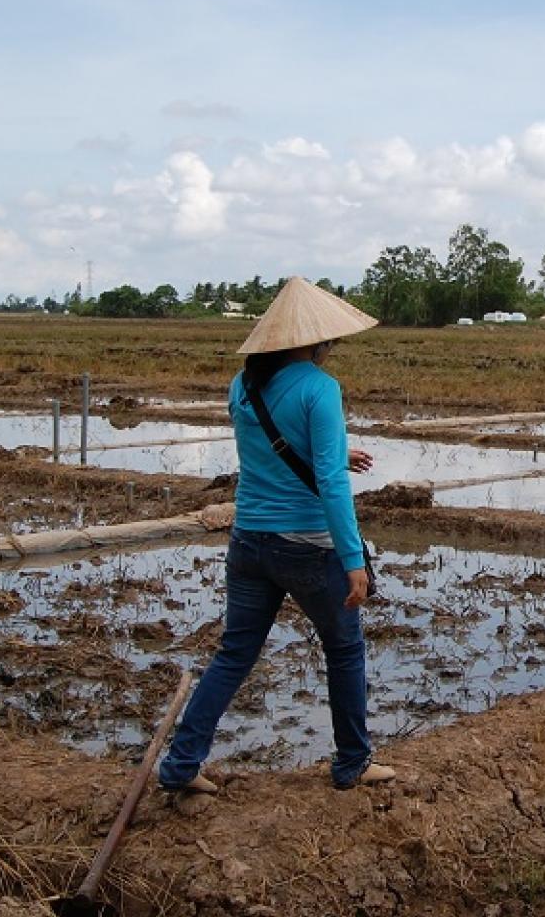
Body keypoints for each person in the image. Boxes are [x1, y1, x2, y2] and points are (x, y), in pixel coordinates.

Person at [158, 277, 396, 793]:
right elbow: (331, 483)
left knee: (234, 654)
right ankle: (353, 762)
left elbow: (270, 453)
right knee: (345, 650)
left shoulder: (242, 385)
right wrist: (354, 559)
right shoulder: (319, 387)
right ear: (317, 340)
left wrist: (334, 453)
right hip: (307, 547)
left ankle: (180, 766)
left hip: (248, 542)